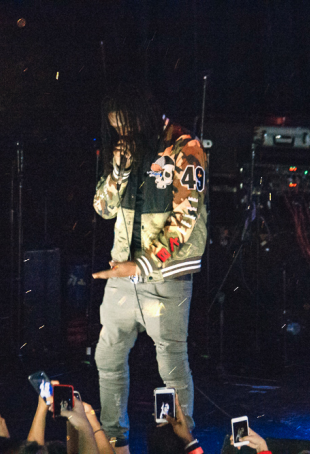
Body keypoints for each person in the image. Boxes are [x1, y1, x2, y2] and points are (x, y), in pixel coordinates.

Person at [92, 85, 208, 450]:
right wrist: (118, 171)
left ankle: (178, 442)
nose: (121, 136)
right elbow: (102, 208)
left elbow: (184, 220)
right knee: (107, 354)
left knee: (170, 363)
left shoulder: (184, 148)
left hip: (164, 277)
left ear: (141, 118)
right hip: (124, 275)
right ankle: (114, 439)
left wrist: (141, 264)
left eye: (125, 127)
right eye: (115, 129)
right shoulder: (128, 152)